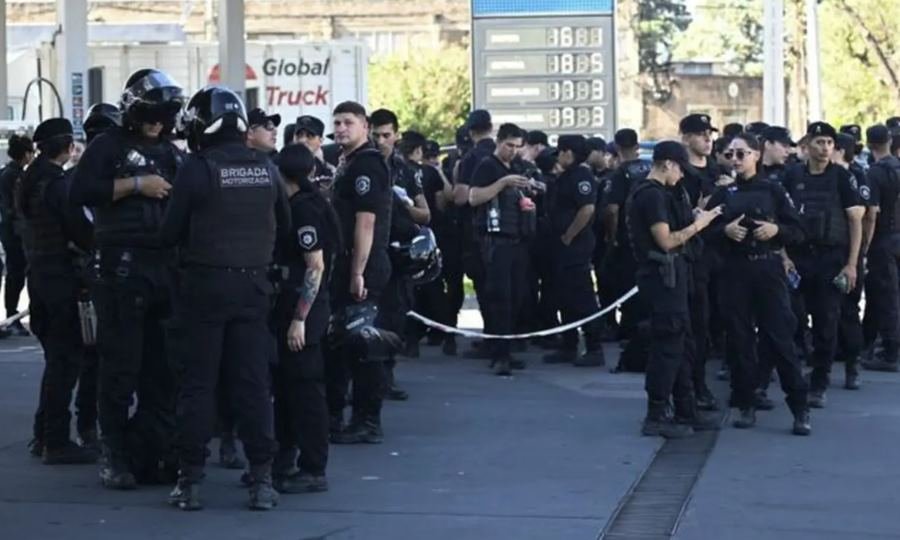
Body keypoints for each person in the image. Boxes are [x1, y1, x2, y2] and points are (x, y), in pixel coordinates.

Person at [160, 86, 290, 511]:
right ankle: (263, 481)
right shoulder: (266, 168)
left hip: (204, 288)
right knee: (253, 384)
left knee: (198, 386)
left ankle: (191, 480)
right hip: (254, 289)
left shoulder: (197, 167)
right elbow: (285, 228)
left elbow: (169, 233)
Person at [70, 68, 184, 489]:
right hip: (120, 268)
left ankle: (151, 449)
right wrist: (138, 184)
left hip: (163, 268)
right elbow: (80, 192)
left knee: (162, 370)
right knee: (120, 367)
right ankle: (114, 453)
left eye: (165, 116)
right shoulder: (107, 146)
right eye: (153, 115)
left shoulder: (172, 152)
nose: (159, 123)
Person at [704, 134, 811, 435]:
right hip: (734, 271)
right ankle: (745, 402)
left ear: (756, 155)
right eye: (730, 154)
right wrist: (724, 230)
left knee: (779, 338)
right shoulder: (725, 193)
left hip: (766, 267)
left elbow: (798, 231)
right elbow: (703, 228)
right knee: (739, 341)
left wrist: (776, 229)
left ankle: (799, 408)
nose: (735, 160)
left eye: (742, 153)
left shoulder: (773, 189)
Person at [625, 141, 721, 438]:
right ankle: (657, 413)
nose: (681, 176)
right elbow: (665, 241)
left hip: (676, 276)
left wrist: (696, 215)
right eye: (680, 168)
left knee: (683, 342)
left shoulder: (664, 193)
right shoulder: (651, 195)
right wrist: (699, 225)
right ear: (667, 164)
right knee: (667, 343)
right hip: (661, 276)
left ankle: (684, 408)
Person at [17, 118, 99, 464]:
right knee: (67, 361)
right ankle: (56, 439)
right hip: (62, 280)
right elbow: (83, 231)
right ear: (67, 147)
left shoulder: (27, 180)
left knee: (55, 359)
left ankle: (43, 433)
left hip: (39, 275)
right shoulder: (59, 185)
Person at [270, 143, 339, 494]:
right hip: (291, 307)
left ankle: (313, 467)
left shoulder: (305, 211)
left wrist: (300, 319)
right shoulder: (301, 205)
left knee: (306, 391)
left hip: (303, 311)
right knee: (287, 389)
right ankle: (286, 455)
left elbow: (315, 267)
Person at [326, 101, 395, 444]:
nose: (340, 128)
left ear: (364, 126)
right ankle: (340, 415)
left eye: (348, 122)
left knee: (363, 344)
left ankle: (368, 421)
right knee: (343, 342)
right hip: (347, 263)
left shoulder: (367, 165)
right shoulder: (348, 162)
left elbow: (365, 222)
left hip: (363, 263)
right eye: (336, 122)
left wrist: (358, 272)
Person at [782, 122, 865, 408]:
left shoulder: (842, 178)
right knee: (790, 316)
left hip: (831, 259)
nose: (825, 148)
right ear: (807, 144)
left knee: (827, 322)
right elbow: (779, 218)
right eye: (820, 142)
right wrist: (784, 256)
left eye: (829, 143)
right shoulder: (792, 175)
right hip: (798, 257)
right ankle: (798, 369)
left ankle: (819, 381)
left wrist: (852, 264)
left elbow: (856, 221)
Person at [468, 123, 536, 375]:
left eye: (518, 147)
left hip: (518, 239)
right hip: (496, 242)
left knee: (517, 297)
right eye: (509, 145)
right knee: (500, 299)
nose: (513, 151)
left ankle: (506, 349)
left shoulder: (518, 166)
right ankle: (499, 354)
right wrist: (503, 183)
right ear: (499, 142)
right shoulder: (487, 166)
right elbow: (474, 197)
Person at [542, 135, 604, 366]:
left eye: (561, 152)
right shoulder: (566, 176)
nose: (558, 157)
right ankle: (568, 345)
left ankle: (594, 346)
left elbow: (587, 208)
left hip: (575, 247)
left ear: (569, 153)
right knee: (564, 296)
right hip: (562, 247)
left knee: (583, 297)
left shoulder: (581, 176)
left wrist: (569, 235)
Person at [679, 113, 722, 411]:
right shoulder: (678, 173)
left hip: (722, 255)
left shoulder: (719, 170)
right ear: (685, 137)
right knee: (696, 326)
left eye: (709, 133)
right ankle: (694, 385)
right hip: (692, 257)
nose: (707, 139)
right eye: (700, 134)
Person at [453, 110, 495, 358]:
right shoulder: (503, 154)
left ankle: (491, 339)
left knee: (484, 285)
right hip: (507, 232)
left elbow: (460, 197)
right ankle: (503, 339)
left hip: (476, 230)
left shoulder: (471, 158)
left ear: (470, 132)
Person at [604, 128, 650, 340]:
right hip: (649, 237)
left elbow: (612, 209)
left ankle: (630, 330)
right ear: (637, 146)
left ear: (617, 148)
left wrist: (611, 237)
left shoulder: (620, 174)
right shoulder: (648, 169)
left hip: (626, 238)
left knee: (626, 284)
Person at [861, 124, 900, 372]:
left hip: (883, 239)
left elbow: (871, 214)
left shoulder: (873, 173)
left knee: (886, 295)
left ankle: (890, 351)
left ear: (868, 144)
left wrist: (864, 246)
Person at [0, 134, 33, 336]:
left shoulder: (9, 173)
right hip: (14, 231)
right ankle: (12, 315)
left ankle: (12, 315)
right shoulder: (14, 176)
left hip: (10, 229)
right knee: (16, 273)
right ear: (26, 153)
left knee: (16, 272)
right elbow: (14, 207)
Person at [294, 115, 336, 188]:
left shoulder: (329, 171)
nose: (303, 140)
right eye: (299, 135)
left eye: (310, 136)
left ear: (321, 140)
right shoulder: (282, 167)